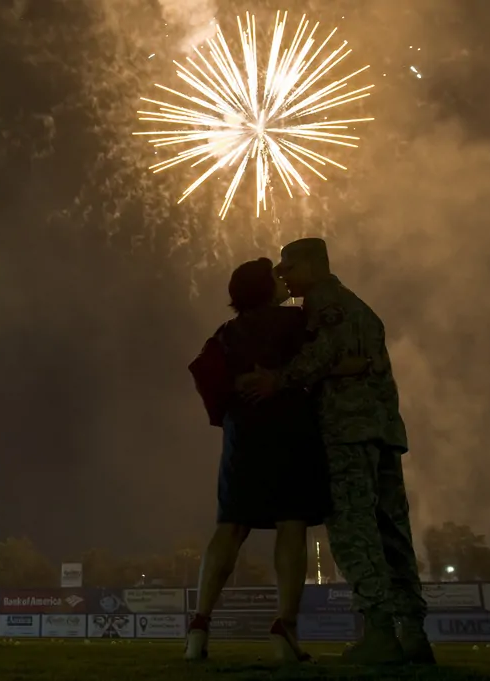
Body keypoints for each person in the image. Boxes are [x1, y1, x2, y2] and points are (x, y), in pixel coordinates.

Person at [242, 238, 434, 666]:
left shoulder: (325, 304)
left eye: (288, 266)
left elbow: (325, 352)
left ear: (312, 265)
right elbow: (348, 359)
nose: (282, 275)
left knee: (353, 530)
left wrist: (280, 378)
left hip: (349, 432)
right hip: (382, 431)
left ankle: (380, 632)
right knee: (393, 534)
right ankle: (414, 634)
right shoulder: (360, 306)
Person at [186, 257, 361, 663]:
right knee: (292, 524)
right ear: (265, 289)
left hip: (242, 434)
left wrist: (234, 386)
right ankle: (285, 625)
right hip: (288, 428)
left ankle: (199, 624)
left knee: (230, 526)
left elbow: (201, 371)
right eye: (274, 277)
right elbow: (327, 358)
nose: (282, 279)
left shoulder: (225, 333)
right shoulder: (295, 322)